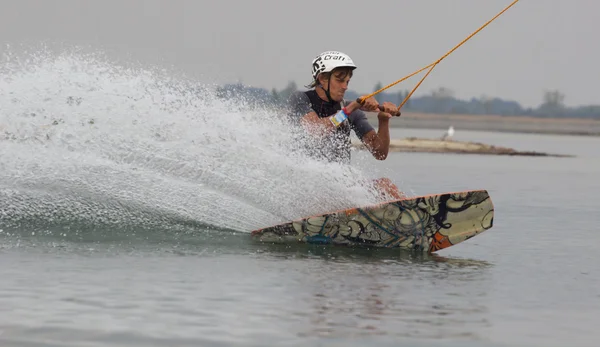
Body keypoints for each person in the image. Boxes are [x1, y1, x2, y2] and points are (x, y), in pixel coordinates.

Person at [287, 50, 404, 200]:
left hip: (339, 185)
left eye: (347, 81)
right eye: (340, 80)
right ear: (322, 78)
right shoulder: (300, 99)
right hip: (304, 186)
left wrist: (383, 120)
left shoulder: (351, 111)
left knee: (385, 185)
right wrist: (350, 108)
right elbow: (316, 130)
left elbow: (379, 154)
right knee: (325, 194)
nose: (345, 86)